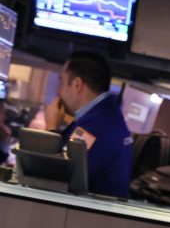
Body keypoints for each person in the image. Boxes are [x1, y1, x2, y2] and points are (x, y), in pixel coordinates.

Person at [55, 51, 132, 198]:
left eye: (62, 82)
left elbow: (61, 176)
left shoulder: (95, 125)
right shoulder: (105, 116)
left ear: (77, 85)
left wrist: (51, 128)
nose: (59, 92)